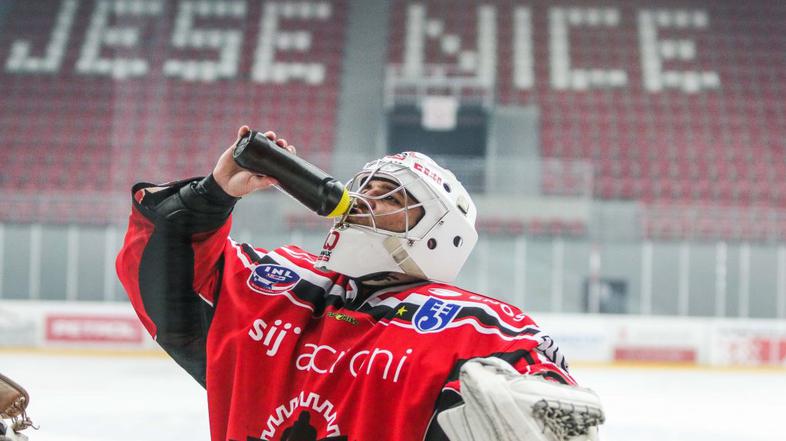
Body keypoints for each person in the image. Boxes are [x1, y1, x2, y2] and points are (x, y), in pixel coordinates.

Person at [116, 126, 593, 441]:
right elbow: (158, 277)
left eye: (388, 196)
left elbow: (553, 409)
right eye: (363, 186)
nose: (360, 198)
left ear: (437, 238)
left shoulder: (479, 328)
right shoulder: (274, 286)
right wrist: (212, 194)